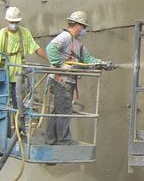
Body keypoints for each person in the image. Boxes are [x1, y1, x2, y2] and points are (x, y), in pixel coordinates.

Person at [45, 10, 109, 145]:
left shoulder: (78, 43)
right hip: (60, 80)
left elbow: (87, 59)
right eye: (84, 26)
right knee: (64, 110)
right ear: (78, 25)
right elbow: (51, 48)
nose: (84, 29)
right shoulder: (65, 37)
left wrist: (101, 63)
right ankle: (63, 141)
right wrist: (61, 65)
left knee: (58, 109)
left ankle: (51, 139)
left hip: (67, 81)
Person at [0, 6, 48, 113]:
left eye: (16, 22)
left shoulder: (24, 33)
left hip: (18, 76)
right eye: (12, 22)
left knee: (19, 107)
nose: (14, 24)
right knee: (2, 107)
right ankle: (4, 127)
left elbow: (36, 48)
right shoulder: (2, 34)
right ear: (7, 20)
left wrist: (51, 61)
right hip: (4, 76)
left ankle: (19, 127)